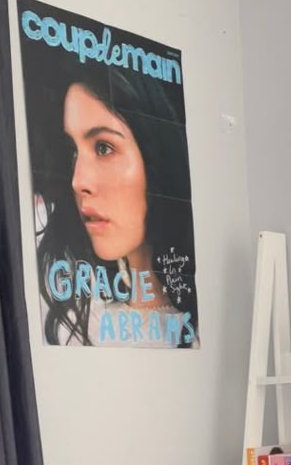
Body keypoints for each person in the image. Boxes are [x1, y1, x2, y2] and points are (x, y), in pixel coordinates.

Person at [24, 54, 198, 347]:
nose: (79, 181)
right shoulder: (66, 307)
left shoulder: (195, 325)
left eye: (104, 147)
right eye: (73, 152)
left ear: (157, 159)